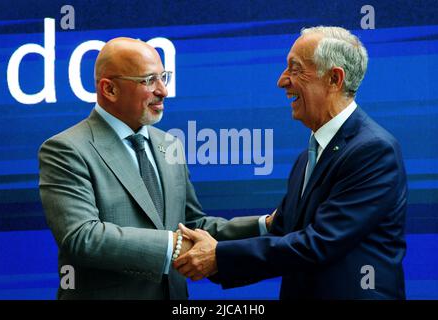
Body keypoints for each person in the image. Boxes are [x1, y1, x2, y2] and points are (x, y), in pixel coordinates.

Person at [174, 26, 408, 299]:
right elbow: (282, 231)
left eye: (295, 69)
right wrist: (210, 254)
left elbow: (319, 243)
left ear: (334, 78)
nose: (282, 81)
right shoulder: (307, 156)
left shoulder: (373, 150)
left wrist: (218, 256)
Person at [38, 37, 272, 299]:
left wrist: (265, 225)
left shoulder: (168, 143)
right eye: (149, 80)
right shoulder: (67, 149)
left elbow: (191, 225)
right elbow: (82, 237)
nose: (163, 91)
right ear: (109, 89)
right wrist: (174, 246)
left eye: (164, 77)